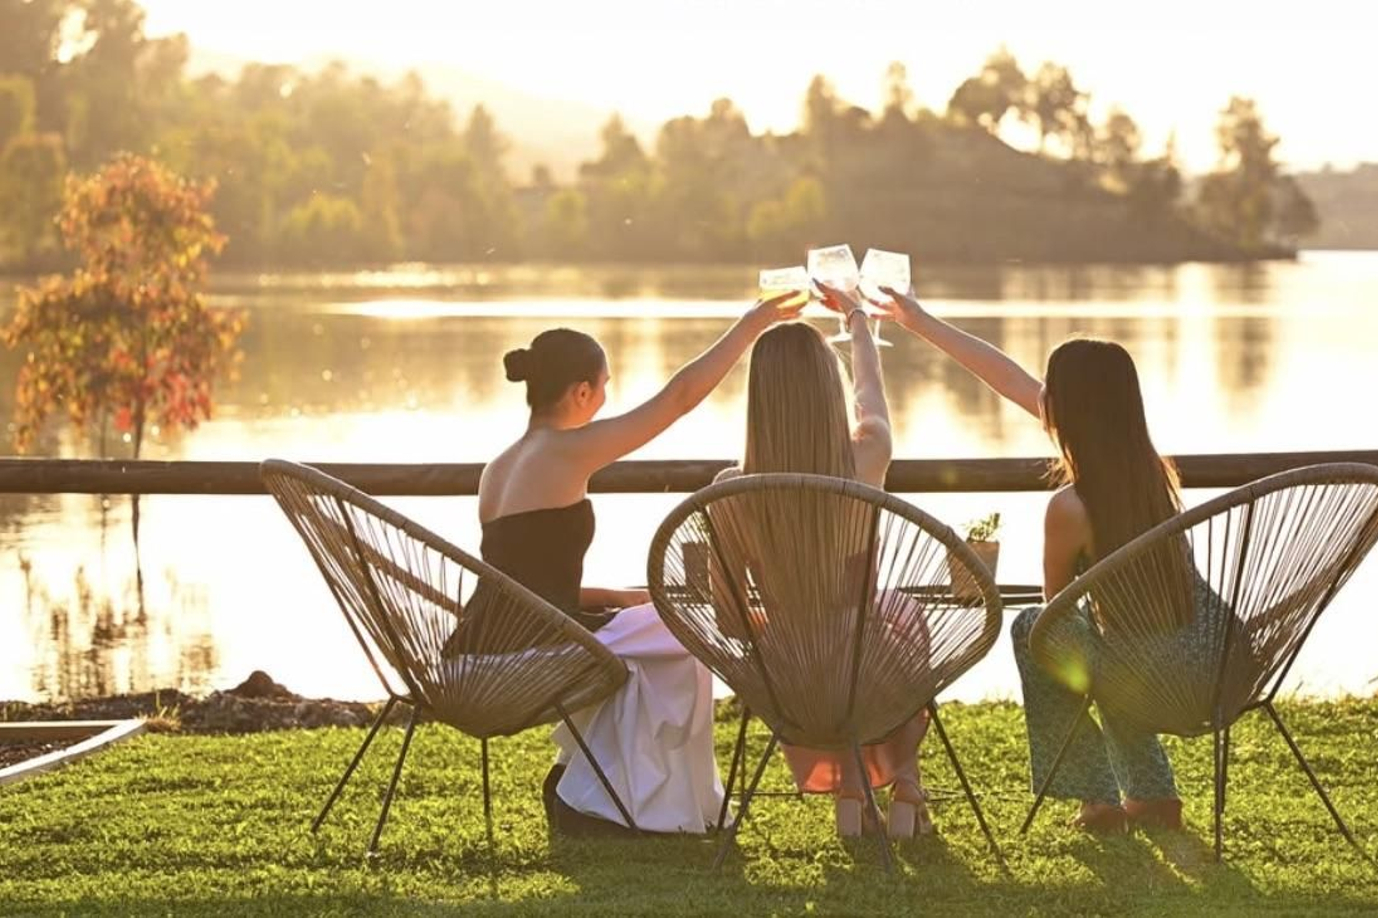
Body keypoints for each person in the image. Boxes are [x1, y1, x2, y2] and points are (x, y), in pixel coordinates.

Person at [457, 292, 802, 836]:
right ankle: (621, 802)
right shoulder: (564, 451)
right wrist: (753, 324)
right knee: (688, 633)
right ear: (581, 391)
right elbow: (680, 397)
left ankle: (593, 787)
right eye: (606, 386)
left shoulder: (501, 465)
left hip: (491, 638)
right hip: (524, 650)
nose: (606, 399)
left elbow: (525, 581)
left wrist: (621, 598)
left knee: (661, 628)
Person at [877, 287, 1214, 834]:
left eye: (1049, 390)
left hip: (1153, 682)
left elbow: (1056, 616)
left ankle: (1098, 801)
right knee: (1112, 646)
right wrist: (918, 322)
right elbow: (1008, 379)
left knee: (1038, 630)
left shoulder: (1073, 506)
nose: (1039, 396)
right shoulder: (1150, 473)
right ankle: (1154, 796)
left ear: (1065, 408)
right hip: (1205, 667)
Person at [714, 282, 933, 840]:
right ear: (825, 389)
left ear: (757, 399)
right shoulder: (868, 457)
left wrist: (788, 623)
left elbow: (728, 620)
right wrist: (858, 321)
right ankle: (903, 782)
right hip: (870, 663)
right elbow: (872, 396)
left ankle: (853, 789)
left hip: (787, 677)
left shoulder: (730, 492)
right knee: (899, 614)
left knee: (854, 637)